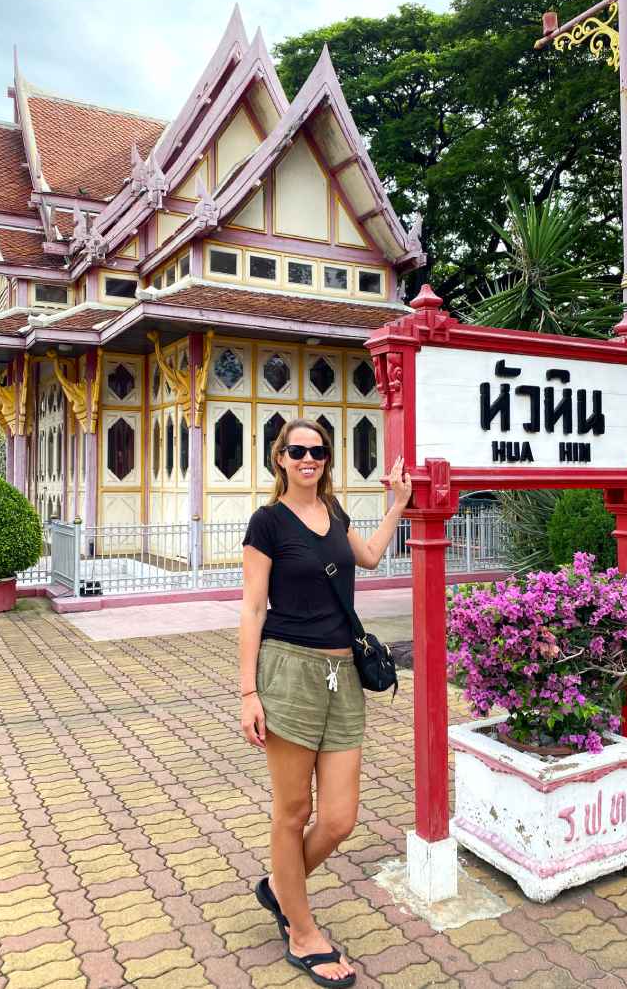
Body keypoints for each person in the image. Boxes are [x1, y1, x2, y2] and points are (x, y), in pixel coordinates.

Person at [239, 417, 411, 987]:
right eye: (298, 451)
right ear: (280, 458)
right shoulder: (266, 523)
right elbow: (252, 610)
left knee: (338, 819)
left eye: (317, 451)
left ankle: (278, 890)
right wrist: (248, 692)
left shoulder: (334, 514)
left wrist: (397, 505)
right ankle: (302, 930)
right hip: (289, 671)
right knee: (293, 814)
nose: (308, 459)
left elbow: (368, 558)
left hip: (343, 674)